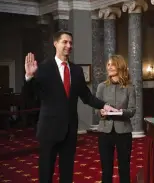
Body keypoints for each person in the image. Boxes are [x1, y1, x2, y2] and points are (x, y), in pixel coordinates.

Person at [24, 30, 117, 183]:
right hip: (49, 130)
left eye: (70, 43)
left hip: (70, 130)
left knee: (67, 173)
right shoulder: (43, 68)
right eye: (65, 42)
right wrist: (29, 77)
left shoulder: (76, 70)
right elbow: (29, 97)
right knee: (46, 173)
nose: (69, 46)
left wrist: (105, 105)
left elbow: (86, 97)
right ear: (55, 44)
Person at [96, 55, 136, 183]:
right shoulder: (101, 87)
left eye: (113, 64)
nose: (109, 67)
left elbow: (132, 110)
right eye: (108, 65)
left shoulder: (129, 88)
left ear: (120, 66)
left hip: (123, 132)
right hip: (105, 131)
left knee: (124, 168)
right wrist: (101, 112)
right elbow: (96, 108)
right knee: (106, 169)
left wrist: (120, 112)